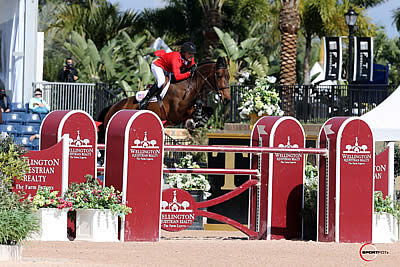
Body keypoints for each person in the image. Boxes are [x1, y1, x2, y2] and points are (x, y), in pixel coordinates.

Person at [139, 42, 197, 109]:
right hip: (158, 66)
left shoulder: (190, 58)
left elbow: (192, 66)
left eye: (193, 54)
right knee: (161, 82)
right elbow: (177, 76)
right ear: (184, 53)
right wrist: (189, 73)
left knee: (169, 86)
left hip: (168, 69)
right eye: (189, 53)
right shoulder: (176, 59)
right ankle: (145, 100)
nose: (191, 55)